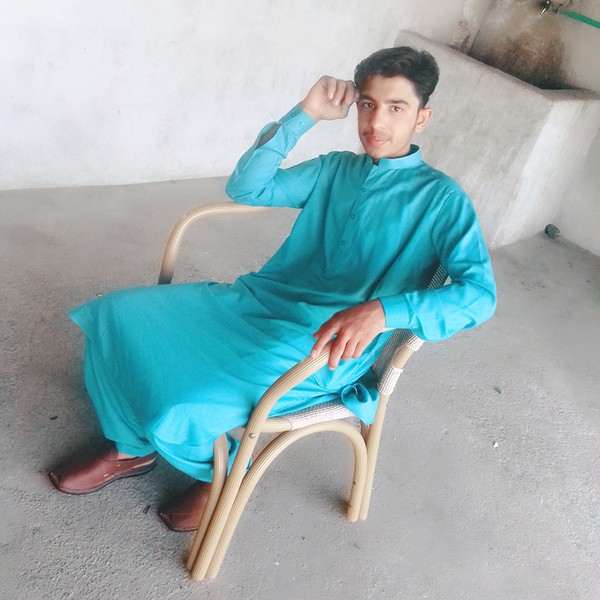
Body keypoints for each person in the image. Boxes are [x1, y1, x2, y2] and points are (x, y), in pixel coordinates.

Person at [48, 47, 496, 532]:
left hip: (322, 345)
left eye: (396, 108)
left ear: (421, 118)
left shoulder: (443, 199)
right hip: (256, 301)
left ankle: (220, 472)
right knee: (116, 315)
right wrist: (305, 114)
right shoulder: (335, 168)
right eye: (368, 104)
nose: (375, 122)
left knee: (185, 404)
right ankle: (130, 448)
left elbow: (479, 295)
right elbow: (247, 188)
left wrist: (383, 312)